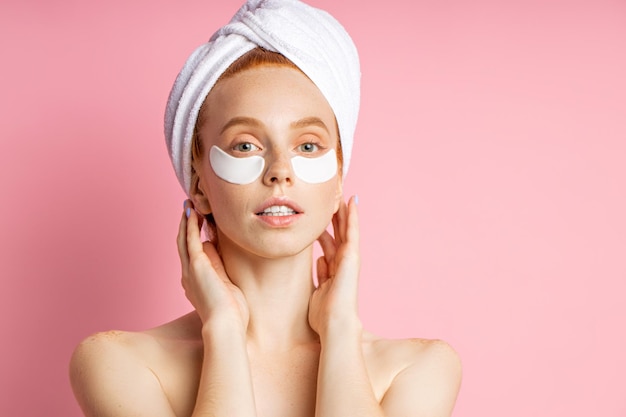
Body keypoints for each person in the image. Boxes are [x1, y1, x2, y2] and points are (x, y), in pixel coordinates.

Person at [69, 1, 462, 416]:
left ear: (337, 182)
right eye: (245, 145)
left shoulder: (417, 370)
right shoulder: (121, 364)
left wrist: (340, 330)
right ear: (199, 185)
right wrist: (223, 331)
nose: (279, 171)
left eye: (308, 146)